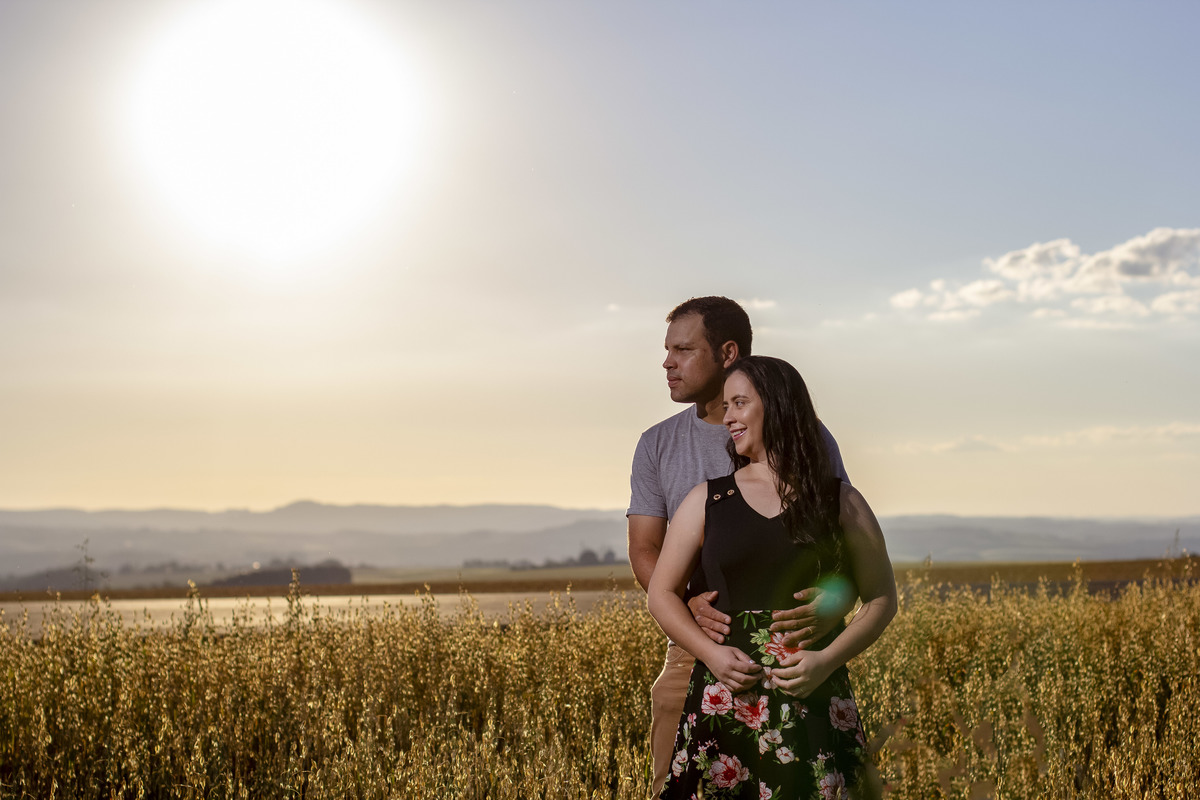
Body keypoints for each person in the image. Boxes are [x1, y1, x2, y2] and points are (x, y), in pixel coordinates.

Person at [627, 297, 852, 797]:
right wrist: (689, 610)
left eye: (683, 350)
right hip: (694, 649)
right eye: (668, 350)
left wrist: (836, 599)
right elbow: (645, 549)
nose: (668, 363)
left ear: (727, 353)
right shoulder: (657, 444)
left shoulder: (809, 437)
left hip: (795, 652)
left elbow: (841, 541)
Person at [648, 356, 897, 799]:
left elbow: (881, 598)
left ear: (778, 405)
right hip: (725, 697)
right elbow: (661, 593)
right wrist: (711, 653)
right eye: (726, 406)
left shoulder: (839, 500)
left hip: (813, 699)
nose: (728, 418)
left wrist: (827, 660)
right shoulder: (707, 499)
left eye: (739, 403)